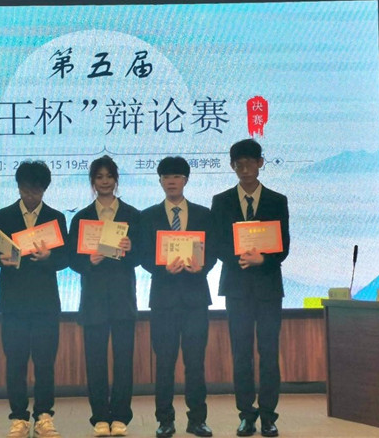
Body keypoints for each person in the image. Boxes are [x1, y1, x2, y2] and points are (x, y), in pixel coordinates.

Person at [0, 160, 68, 438]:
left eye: (36, 191)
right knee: (15, 362)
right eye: (26, 190)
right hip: (13, 302)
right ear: (18, 187)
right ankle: (18, 418)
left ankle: (44, 416)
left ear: (45, 189)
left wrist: (50, 257)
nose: (30, 196)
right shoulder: (3, 216)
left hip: (45, 302)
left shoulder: (55, 218)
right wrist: (0, 259)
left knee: (44, 362)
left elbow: (67, 258)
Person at [210, 139, 290, 438]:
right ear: (233, 166)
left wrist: (263, 259)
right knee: (241, 353)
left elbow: (283, 246)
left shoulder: (277, 200)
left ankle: (269, 416)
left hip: (268, 287)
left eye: (250, 163)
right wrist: (243, 259)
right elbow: (218, 243)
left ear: (260, 163)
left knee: (269, 353)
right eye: (239, 164)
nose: (244, 169)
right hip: (237, 287)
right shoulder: (221, 200)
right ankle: (246, 414)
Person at [139, 156, 216, 438]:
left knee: (195, 363)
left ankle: (197, 420)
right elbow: (143, 255)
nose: (171, 181)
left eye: (177, 176)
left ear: (186, 180)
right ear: (160, 181)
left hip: (195, 299)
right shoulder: (147, 216)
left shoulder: (204, 214)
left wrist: (202, 266)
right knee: (164, 363)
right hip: (163, 299)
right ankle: (165, 420)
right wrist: (162, 267)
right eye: (166, 177)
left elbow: (213, 251)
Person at [68, 155, 141, 437]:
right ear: (92, 182)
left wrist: (131, 248)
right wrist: (89, 261)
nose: (105, 181)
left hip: (123, 298)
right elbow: (72, 259)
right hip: (94, 300)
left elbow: (143, 256)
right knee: (95, 361)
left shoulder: (133, 215)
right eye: (99, 177)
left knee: (124, 361)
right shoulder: (81, 217)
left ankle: (121, 416)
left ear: (116, 179)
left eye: (109, 176)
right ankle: (99, 416)